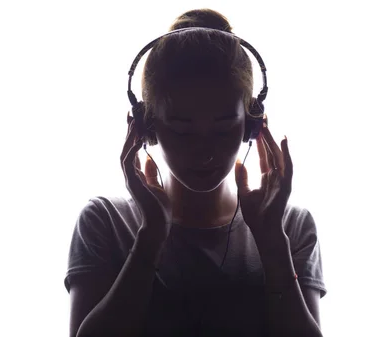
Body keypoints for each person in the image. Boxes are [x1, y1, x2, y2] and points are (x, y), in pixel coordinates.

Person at [65, 8, 326, 337]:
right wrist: (150, 237)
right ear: (148, 128)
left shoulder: (291, 227)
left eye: (222, 128)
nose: (204, 151)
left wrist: (273, 243)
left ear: (251, 125)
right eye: (182, 129)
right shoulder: (105, 222)